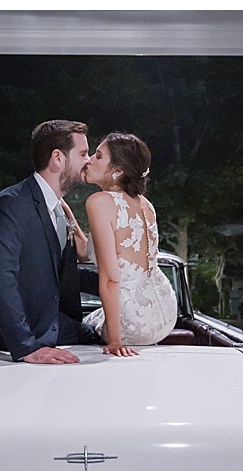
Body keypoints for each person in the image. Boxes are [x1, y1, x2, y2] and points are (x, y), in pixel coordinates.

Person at [0, 120, 98, 364]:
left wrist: (123, 286)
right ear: (58, 158)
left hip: (51, 323)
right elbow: (0, 279)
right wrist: (26, 348)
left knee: (103, 343)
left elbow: (62, 274)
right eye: (83, 153)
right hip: (5, 337)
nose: (88, 160)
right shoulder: (10, 205)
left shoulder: (59, 210)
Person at [65, 132, 178, 356]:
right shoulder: (145, 204)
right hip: (165, 312)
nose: (89, 160)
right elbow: (88, 253)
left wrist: (115, 340)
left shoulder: (99, 202)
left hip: (133, 321)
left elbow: (111, 278)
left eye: (97, 156)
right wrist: (68, 214)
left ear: (117, 172)